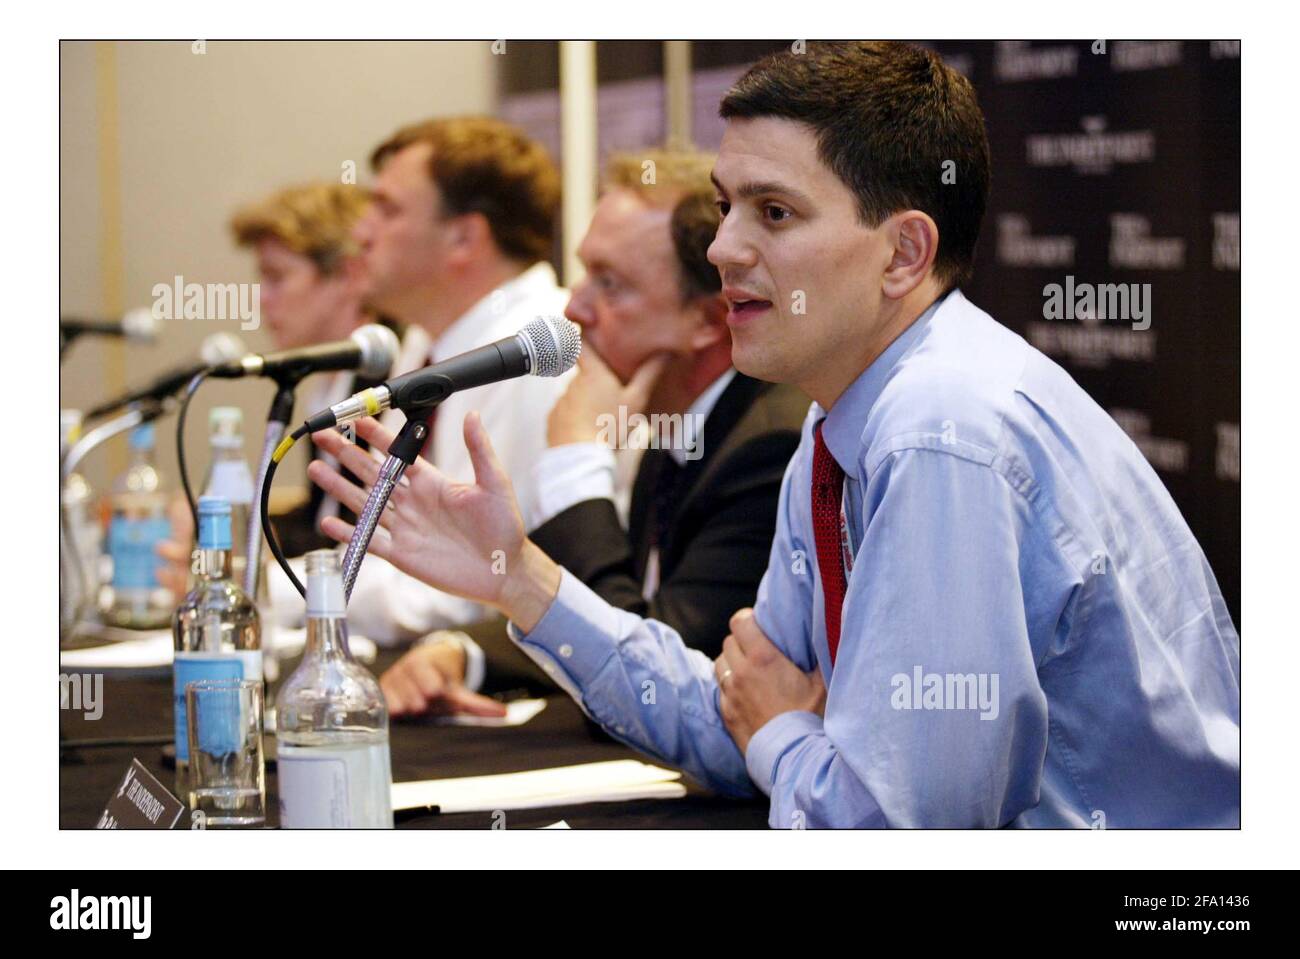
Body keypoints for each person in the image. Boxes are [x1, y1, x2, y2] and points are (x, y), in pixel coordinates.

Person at [308, 42, 1240, 827]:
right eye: (726, 206)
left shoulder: (938, 429)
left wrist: (783, 734)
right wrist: (524, 581)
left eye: (775, 212)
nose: (720, 249)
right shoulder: (844, 421)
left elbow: (895, 826)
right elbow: (730, 717)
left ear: (904, 252)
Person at [377, 150, 808, 717]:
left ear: (707, 320)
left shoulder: (768, 448)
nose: (574, 307)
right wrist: (464, 652)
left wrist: (576, 456)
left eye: (610, 283)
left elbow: (649, 679)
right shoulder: (676, 420)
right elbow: (614, 620)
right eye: (583, 272)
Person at [265, 117, 572, 652]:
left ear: (463, 237)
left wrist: (266, 590)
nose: (361, 233)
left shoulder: (537, 352)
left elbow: (472, 583)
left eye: (387, 209)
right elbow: (402, 548)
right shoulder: (430, 342)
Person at [155, 182, 382, 598]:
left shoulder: (389, 381)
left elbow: (363, 550)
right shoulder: (328, 383)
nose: (261, 300)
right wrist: (226, 540)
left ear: (348, 274)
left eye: (277, 278)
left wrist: (240, 578)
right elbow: (322, 522)